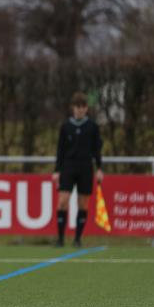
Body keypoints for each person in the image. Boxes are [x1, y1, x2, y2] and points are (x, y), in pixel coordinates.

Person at [53, 91, 104, 248]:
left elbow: (97, 150)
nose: (79, 110)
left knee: (83, 204)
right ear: (72, 108)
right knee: (62, 202)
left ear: (86, 109)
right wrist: (56, 171)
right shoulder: (66, 127)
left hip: (85, 168)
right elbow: (60, 150)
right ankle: (60, 239)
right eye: (77, 107)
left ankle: (77, 239)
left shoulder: (92, 127)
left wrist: (99, 168)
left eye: (82, 107)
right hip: (68, 167)